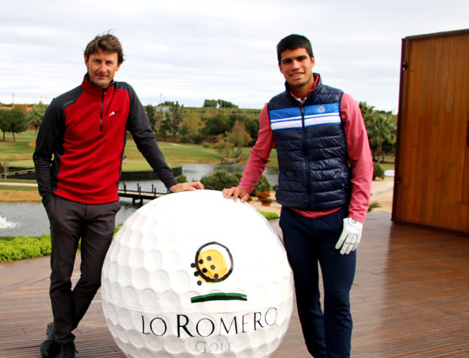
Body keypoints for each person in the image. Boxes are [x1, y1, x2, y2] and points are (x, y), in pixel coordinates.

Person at [33, 33, 204, 358]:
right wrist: (49, 202)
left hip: (103, 205)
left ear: (118, 65)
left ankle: (57, 329)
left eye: (108, 63)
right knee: (61, 275)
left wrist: (171, 183)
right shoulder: (62, 104)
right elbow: (42, 156)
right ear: (87, 62)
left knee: (94, 277)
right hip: (65, 202)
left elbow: (145, 139)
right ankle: (65, 342)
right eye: (96, 61)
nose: (102, 68)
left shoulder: (126, 96)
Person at [223, 34, 373, 357]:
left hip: (337, 221)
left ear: (313, 61)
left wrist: (357, 217)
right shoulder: (273, 108)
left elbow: (363, 162)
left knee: (337, 299)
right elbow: (260, 154)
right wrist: (244, 188)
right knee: (306, 300)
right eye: (288, 61)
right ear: (280, 67)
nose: (295, 66)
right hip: (296, 223)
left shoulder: (341, 102)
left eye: (301, 58)